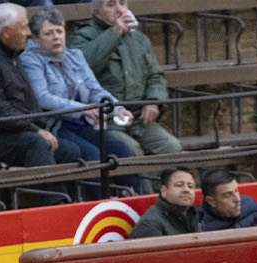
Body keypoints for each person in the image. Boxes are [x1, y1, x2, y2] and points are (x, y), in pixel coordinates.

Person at [0, 3, 87, 200]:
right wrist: (35, 130)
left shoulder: (13, 53)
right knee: (36, 144)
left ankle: (75, 204)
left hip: (14, 130)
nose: (28, 33)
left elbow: (28, 100)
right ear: (6, 32)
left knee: (71, 150)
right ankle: (54, 209)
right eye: (24, 27)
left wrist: (39, 127)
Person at [21, 7, 148, 195]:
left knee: (122, 150)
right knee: (92, 156)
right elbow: (42, 97)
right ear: (36, 38)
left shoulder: (75, 56)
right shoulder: (30, 60)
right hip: (55, 126)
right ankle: (99, 207)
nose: (56, 37)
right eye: (49, 33)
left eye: (59, 31)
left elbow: (95, 90)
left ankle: (138, 202)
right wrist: (82, 109)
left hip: (81, 125)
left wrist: (117, 109)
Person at [70, 0, 182, 159]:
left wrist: (154, 100)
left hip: (138, 119)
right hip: (106, 120)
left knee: (172, 147)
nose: (119, 9)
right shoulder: (82, 37)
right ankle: (141, 184)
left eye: (122, 3)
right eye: (111, 5)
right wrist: (114, 32)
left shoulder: (139, 38)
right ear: (96, 13)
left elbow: (155, 75)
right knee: (132, 151)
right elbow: (82, 68)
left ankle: (161, 185)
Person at [128, 166, 201, 238]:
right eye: (179, 185)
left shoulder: (197, 216)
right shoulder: (150, 224)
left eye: (190, 186)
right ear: (164, 191)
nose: (186, 190)